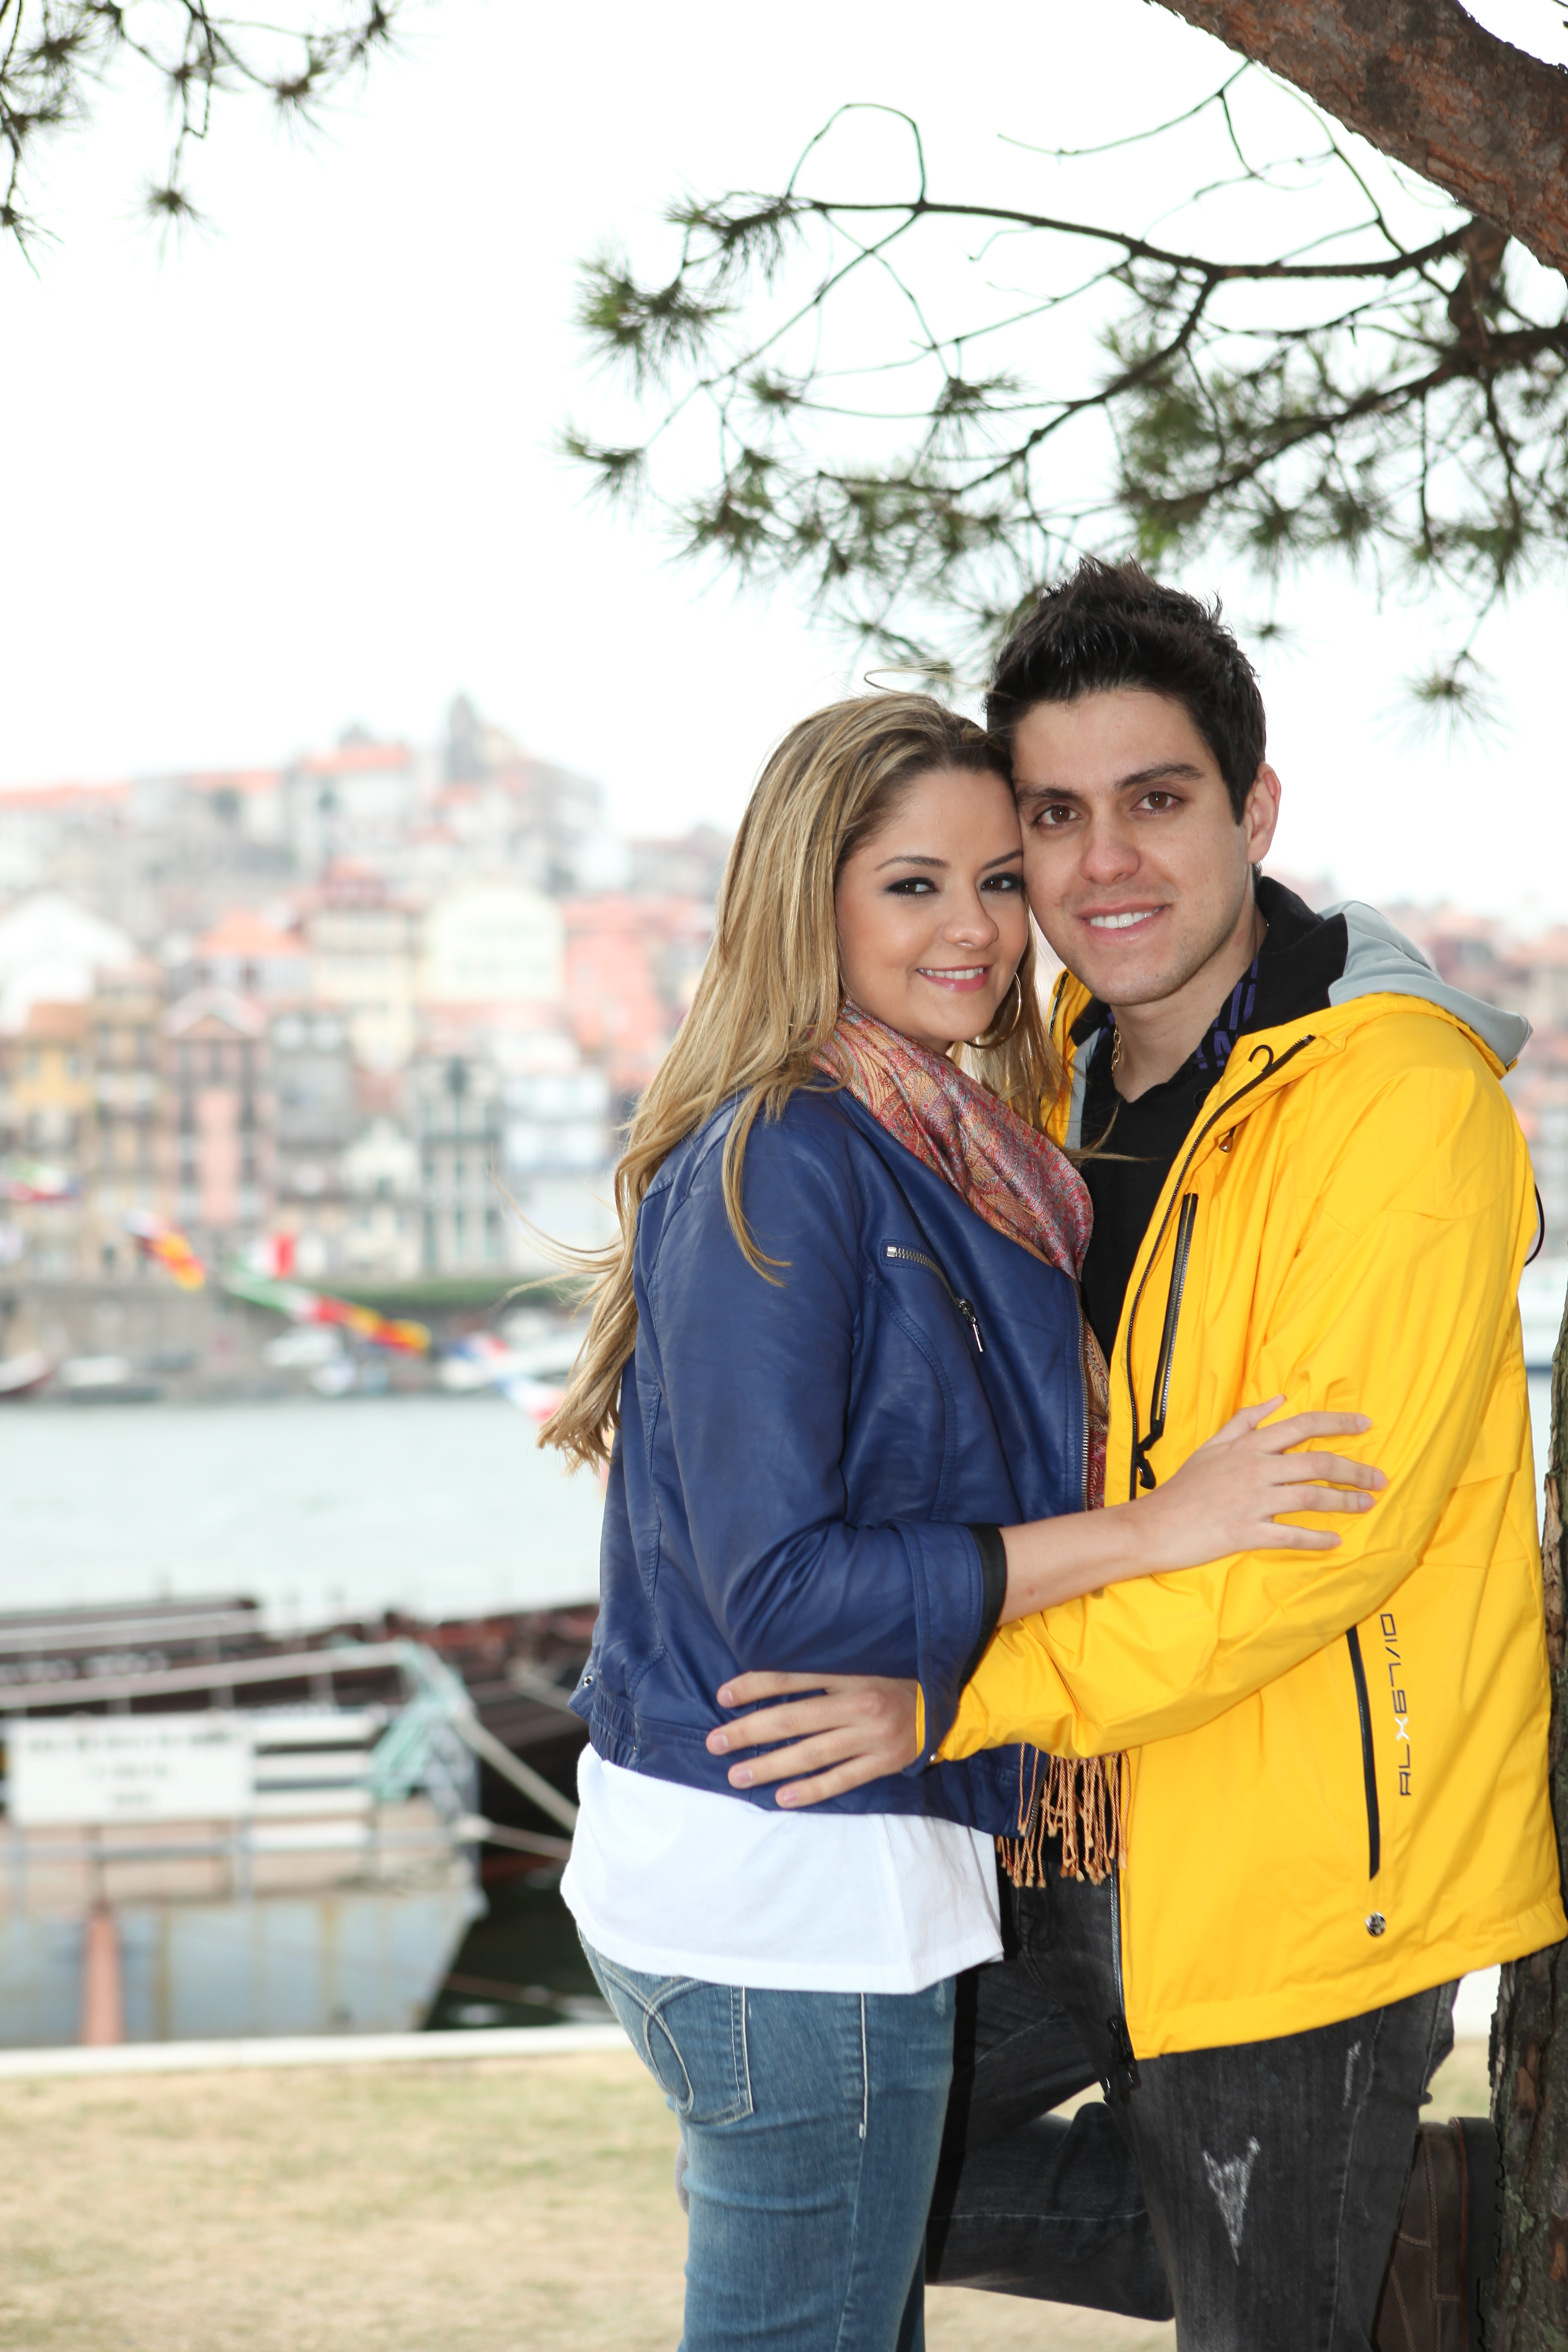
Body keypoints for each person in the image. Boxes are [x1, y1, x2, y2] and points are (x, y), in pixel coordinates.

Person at [716, 564, 1563, 2352]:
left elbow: (1311, 1551)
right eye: (1054, 818)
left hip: (1306, 1852)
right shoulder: (1041, 1108)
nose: (1104, 866)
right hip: (1075, 1821)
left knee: (1252, 2328)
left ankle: (1316, 2244)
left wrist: (945, 1694)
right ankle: (1375, 2233)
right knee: (818, 2143)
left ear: (1253, 812)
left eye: (1158, 802)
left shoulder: (1395, 1108)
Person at [541, 691, 1382, 2352]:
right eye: (915, 885)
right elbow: (783, 1590)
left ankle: (1384, 2231)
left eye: (1002, 881)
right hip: (788, 1893)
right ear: (812, 896)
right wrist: (1158, 1529)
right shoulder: (790, 1148)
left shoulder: (946, 1147)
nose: (982, 930)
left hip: (836, 1871)